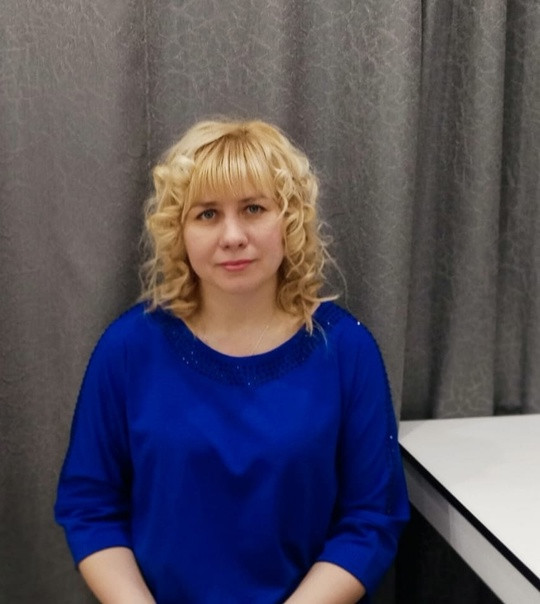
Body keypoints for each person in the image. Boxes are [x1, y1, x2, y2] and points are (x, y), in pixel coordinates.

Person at [54, 118, 410, 604]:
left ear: (290, 220)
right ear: (179, 231)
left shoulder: (347, 351)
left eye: (253, 208)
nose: (233, 236)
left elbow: (371, 518)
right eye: (207, 214)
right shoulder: (128, 349)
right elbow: (90, 507)